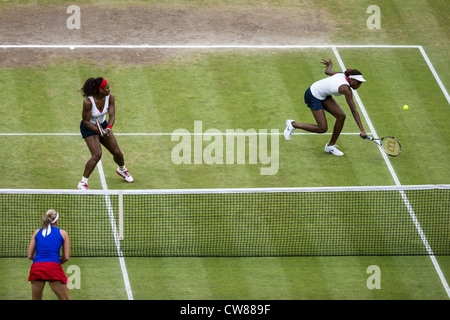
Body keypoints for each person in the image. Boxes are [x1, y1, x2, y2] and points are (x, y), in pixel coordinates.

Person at [284, 58, 368, 156]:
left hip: (323, 95)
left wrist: (329, 66)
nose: (359, 85)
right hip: (313, 95)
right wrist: (362, 129)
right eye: (358, 82)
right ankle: (293, 125)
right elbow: (353, 110)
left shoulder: (343, 75)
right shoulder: (345, 89)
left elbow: (327, 72)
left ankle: (330, 146)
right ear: (351, 79)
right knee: (322, 128)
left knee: (341, 116)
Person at [78, 77, 133, 190]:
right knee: (97, 154)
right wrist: (99, 131)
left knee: (117, 153)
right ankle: (83, 183)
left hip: (103, 125)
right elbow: (86, 121)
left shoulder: (110, 97)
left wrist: (107, 129)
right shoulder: (88, 102)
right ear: (100, 90)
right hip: (89, 128)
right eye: (107, 87)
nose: (109, 89)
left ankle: (122, 170)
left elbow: (112, 116)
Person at [28, 209, 70, 300]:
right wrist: (54, 263)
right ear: (57, 220)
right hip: (53, 267)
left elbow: (30, 256)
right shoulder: (63, 233)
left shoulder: (36, 232)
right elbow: (66, 257)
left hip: (37, 267)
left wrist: (41, 261)